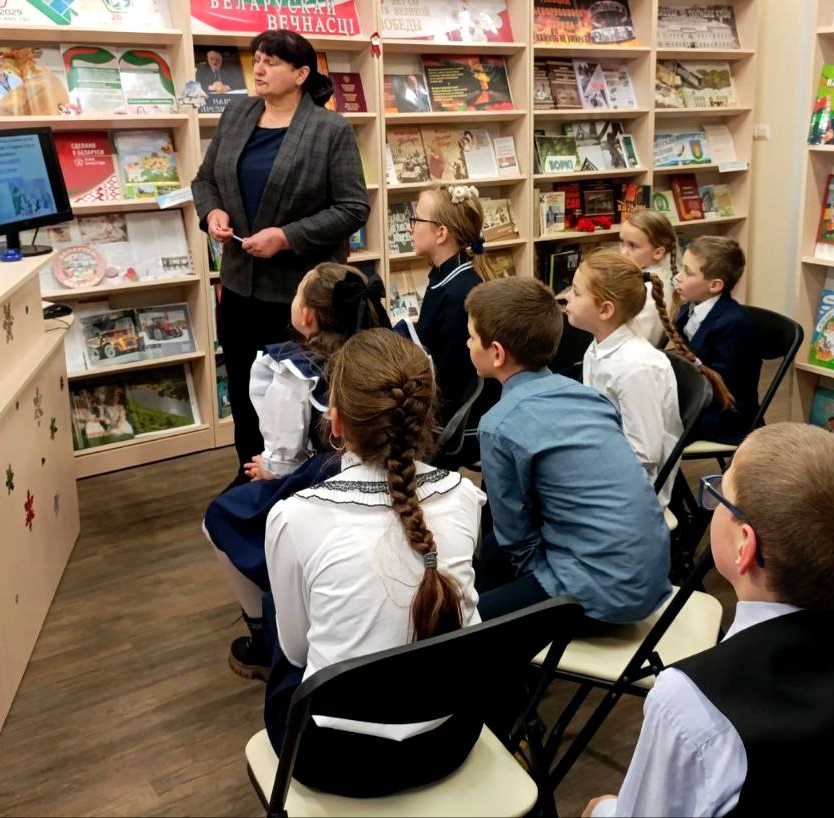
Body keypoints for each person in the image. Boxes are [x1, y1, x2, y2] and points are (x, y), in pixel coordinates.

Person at [583, 424, 834, 817]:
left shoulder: (690, 700)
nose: (713, 503)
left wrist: (603, 810)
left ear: (745, 545)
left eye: (720, 494)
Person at [262, 329, 485, 797]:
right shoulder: (466, 496)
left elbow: (298, 652)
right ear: (425, 418)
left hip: (335, 760)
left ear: (336, 422)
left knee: (275, 614)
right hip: (451, 736)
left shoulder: (294, 517)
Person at [192, 29, 369, 482]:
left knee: (296, 399)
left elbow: (353, 207)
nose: (259, 68)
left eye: (271, 61)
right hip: (238, 286)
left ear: (301, 73)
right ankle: (251, 476)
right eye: (257, 59)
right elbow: (205, 180)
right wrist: (212, 212)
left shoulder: (330, 129)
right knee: (244, 391)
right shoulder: (237, 114)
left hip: (298, 295)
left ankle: (297, 483)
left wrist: (286, 237)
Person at [203, 263, 388, 680]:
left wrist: (269, 469)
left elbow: (285, 459)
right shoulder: (392, 351)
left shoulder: (294, 371)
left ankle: (260, 634)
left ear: (306, 315)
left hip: (323, 481)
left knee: (219, 518)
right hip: (391, 471)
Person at [466, 277, 671, 624]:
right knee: (490, 552)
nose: (467, 343)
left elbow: (516, 537)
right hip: (650, 573)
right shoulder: (589, 397)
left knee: (466, 623)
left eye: (472, 336)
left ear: (497, 353)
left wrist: (542, 580)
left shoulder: (497, 425)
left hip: (603, 595)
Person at [564, 251, 684, 507]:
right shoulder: (598, 346)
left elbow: (645, 453)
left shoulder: (635, 368)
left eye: (576, 293)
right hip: (604, 456)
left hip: (631, 488)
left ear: (605, 310)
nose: (566, 298)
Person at [405, 183, 502, 425]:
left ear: (441, 233)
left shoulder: (460, 293)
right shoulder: (446, 278)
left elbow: (450, 381)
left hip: (453, 421)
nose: (409, 228)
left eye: (416, 220)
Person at [673, 235, 760, 444]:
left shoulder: (734, 325)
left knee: (651, 423)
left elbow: (722, 384)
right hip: (696, 399)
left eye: (688, 272)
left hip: (724, 414)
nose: (678, 277)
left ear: (714, 285)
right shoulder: (687, 310)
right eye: (681, 268)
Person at [619, 209, 678, 345]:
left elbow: (636, 343)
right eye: (622, 243)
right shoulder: (642, 276)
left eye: (632, 246)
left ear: (658, 252)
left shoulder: (650, 289)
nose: (623, 252)